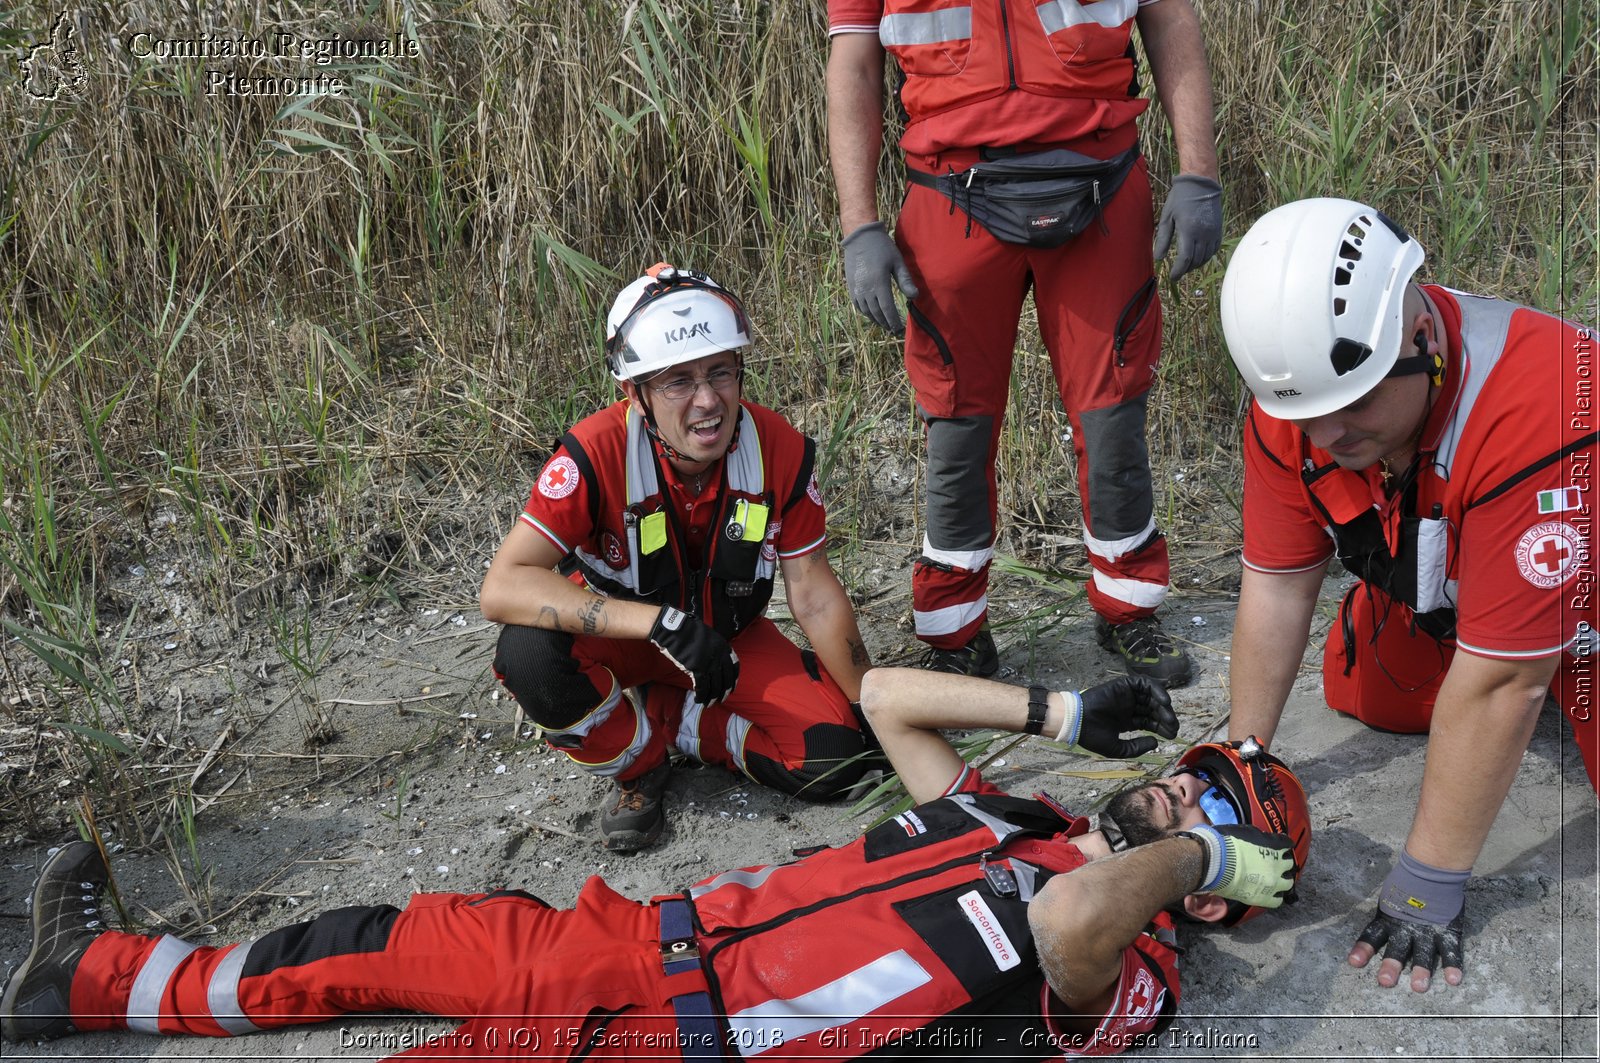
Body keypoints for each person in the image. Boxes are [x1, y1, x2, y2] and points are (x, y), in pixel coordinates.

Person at [1, 669, 1309, 1058]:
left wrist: (1191, 852)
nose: (1185, 784)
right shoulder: (1004, 820)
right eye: (1197, 771)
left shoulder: (1137, 961)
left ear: (1216, 881)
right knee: (366, 940)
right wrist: (1061, 718)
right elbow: (894, 696)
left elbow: (1077, 920)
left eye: (1215, 803)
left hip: (676, 1042)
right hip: (629, 939)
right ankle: (91, 976)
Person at [1217, 196, 1598, 995]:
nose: (1328, 437)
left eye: (1351, 407)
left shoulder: (1541, 405)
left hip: (1581, 575)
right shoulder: (1303, 396)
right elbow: (1279, 585)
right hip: (1472, 558)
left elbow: (1502, 684)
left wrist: (1427, 882)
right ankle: (1503, 625)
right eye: (1306, 415)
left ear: (1420, 339)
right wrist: (1240, 765)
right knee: (1364, 686)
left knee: (1522, 679)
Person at [826, 0, 1224, 685]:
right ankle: (954, 635)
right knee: (957, 429)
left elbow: (1168, 16)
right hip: (952, 192)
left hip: (1101, 183)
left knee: (1113, 419)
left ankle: (1129, 610)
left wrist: (1199, 173)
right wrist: (859, 223)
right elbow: (854, 62)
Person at [479, 264, 876, 851]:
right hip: (628, 637)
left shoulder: (780, 449)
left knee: (838, 761)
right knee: (530, 656)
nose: (708, 401)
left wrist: (869, 701)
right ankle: (639, 765)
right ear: (633, 394)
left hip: (726, 644)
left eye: (721, 372)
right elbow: (503, 587)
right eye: (678, 382)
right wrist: (659, 625)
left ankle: (676, 718)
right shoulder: (593, 454)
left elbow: (814, 594)